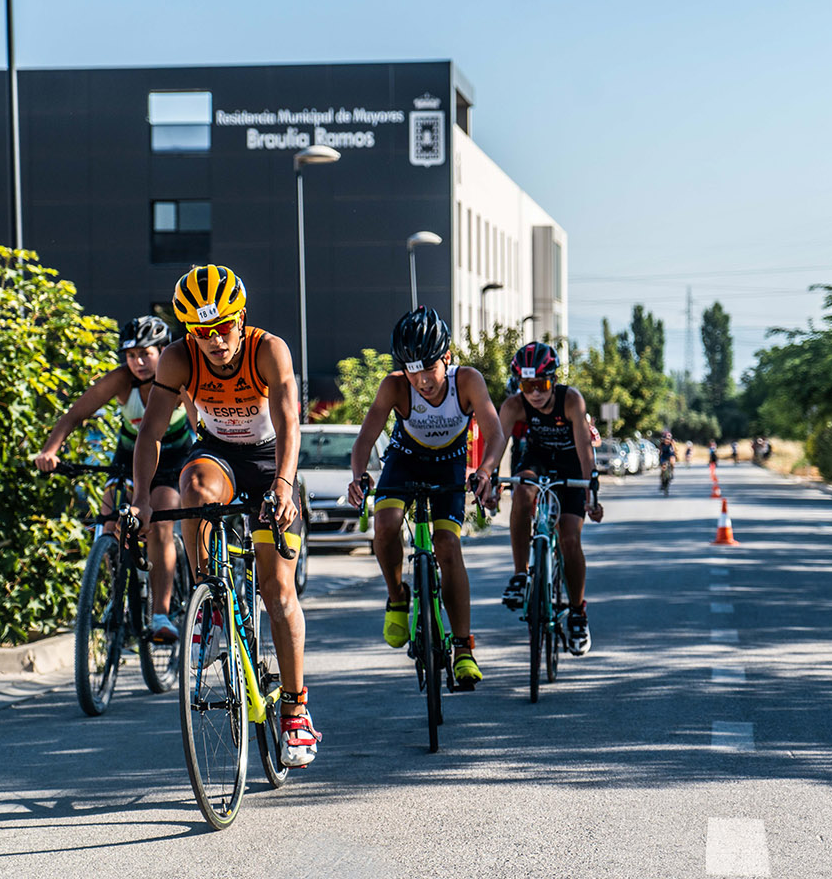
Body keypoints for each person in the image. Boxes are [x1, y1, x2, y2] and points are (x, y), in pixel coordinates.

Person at [126, 265, 318, 766]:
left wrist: (283, 485)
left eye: (223, 326)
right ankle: (210, 603)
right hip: (219, 456)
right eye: (201, 331)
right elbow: (151, 433)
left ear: (241, 318)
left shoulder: (268, 349)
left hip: (271, 459)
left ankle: (295, 710)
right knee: (192, 488)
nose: (214, 340)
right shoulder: (178, 358)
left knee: (277, 590)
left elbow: (289, 422)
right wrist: (142, 498)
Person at [346, 307, 500, 688]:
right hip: (405, 461)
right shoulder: (394, 386)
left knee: (447, 544)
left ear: (447, 358)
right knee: (385, 524)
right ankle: (397, 596)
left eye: (429, 369)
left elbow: (495, 433)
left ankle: (463, 648)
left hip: (449, 465)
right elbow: (365, 438)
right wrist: (358, 474)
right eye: (412, 371)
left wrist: (485, 471)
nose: (422, 381)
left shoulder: (468, 380)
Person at [34, 316, 195, 641]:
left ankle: (161, 615)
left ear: (163, 352)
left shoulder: (178, 378)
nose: (137, 362)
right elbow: (75, 414)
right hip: (129, 456)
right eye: (131, 355)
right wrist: (50, 450)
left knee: (160, 522)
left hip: (172, 458)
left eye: (145, 354)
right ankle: (116, 599)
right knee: (110, 521)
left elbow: (198, 421)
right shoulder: (122, 380)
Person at [493, 342, 603, 655]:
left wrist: (591, 494)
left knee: (569, 538)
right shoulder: (514, 405)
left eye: (540, 385)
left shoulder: (571, 400)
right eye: (527, 386)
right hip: (537, 458)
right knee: (522, 491)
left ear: (553, 381)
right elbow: (496, 447)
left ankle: (578, 613)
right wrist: (490, 482)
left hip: (571, 463)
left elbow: (585, 452)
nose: (534, 394)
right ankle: (520, 575)